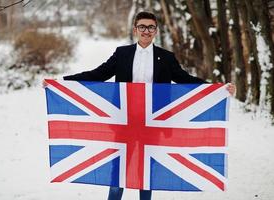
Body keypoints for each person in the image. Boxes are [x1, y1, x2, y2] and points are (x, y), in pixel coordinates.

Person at [44, 11, 235, 200]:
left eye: (151, 27)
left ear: (156, 31)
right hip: (123, 120)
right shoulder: (122, 53)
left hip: (153, 122)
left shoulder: (166, 57)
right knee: (119, 169)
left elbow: (184, 79)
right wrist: (61, 82)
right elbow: (98, 74)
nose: (146, 31)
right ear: (135, 29)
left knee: (147, 170)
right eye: (142, 27)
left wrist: (217, 89)